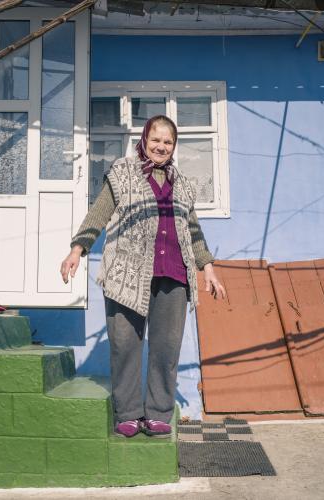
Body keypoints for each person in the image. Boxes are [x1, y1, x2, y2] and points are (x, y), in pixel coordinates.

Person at [60, 115, 226, 438]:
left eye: (168, 142)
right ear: (144, 140)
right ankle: (128, 413)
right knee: (124, 344)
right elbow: (99, 212)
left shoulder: (182, 183)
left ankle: (159, 412)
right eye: (156, 140)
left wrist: (207, 266)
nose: (161, 147)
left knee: (166, 347)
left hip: (173, 274)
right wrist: (77, 249)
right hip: (127, 273)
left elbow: (192, 229)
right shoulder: (122, 173)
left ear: (174, 146)